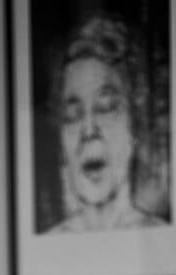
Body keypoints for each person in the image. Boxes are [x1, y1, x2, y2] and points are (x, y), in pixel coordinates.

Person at [43, 14, 166, 233]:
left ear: (134, 126)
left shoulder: (160, 236)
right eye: (72, 115)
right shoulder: (47, 244)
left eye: (106, 107)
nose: (89, 130)